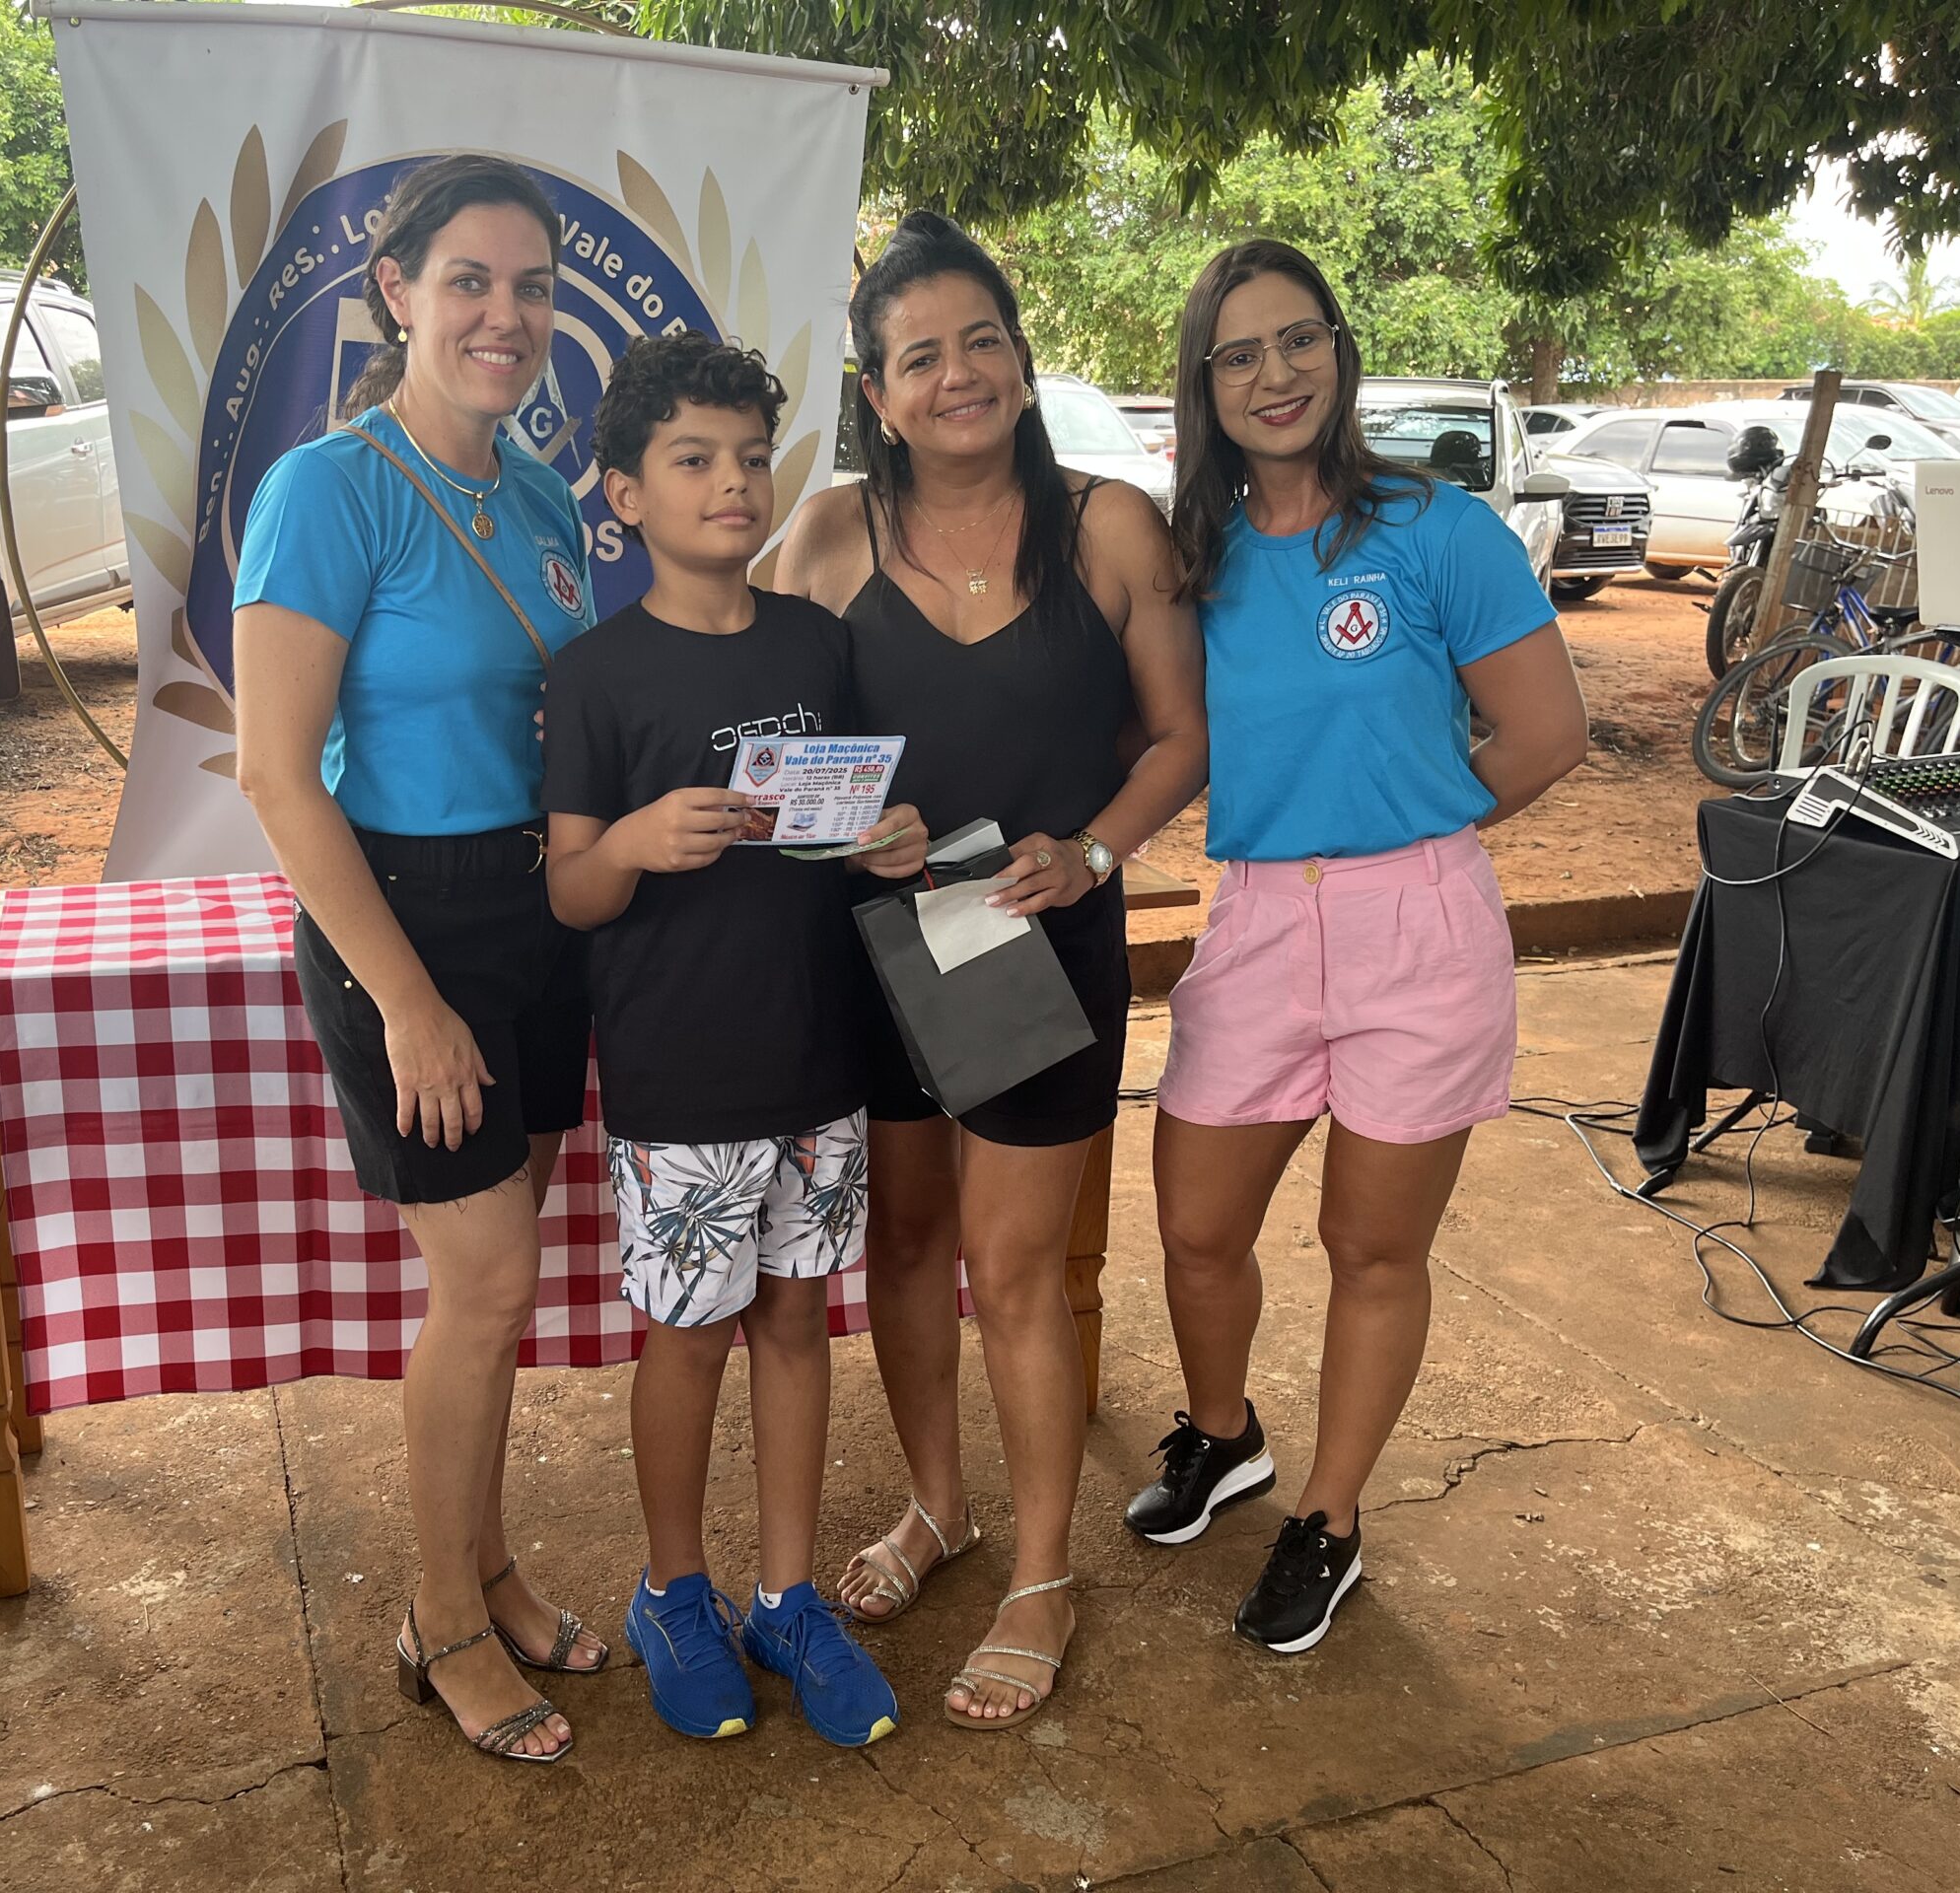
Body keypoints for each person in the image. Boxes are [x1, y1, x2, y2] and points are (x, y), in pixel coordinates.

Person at [1125, 239, 1587, 1653]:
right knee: (1197, 1229)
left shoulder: (1438, 531)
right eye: (1239, 354)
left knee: (1370, 1248)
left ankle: (1327, 1518)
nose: (1275, 375)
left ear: (1339, 348)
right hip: (1257, 919)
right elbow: (1160, 732)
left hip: (1416, 924)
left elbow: (1545, 734)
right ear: (1203, 383)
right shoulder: (1192, 558)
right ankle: (1225, 1435)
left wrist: (1406, 830)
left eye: (1299, 339)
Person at [776, 212, 1208, 1729]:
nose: (955, 375)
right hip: (881, 949)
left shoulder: (1110, 527)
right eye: (919, 357)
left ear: (1021, 360)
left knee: (1013, 1269)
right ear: (876, 393)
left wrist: (1091, 851)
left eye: (981, 342)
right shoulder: (829, 537)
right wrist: (843, 829)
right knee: (903, 1248)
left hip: (1042, 943)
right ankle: (937, 1508)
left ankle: (1041, 1574)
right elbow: (777, 760)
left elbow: (1182, 739)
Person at [231, 156, 610, 1766]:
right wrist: (408, 1001)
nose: (504, 316)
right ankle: (440, 1617)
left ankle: (489, 1564)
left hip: (537, 916)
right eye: (469, 281)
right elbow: (275, 775)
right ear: (396, 293)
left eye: (531, 288)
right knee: (488, 1283)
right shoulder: (328, 491)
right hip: (406, 924)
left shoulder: (537, 490)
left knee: (499, 1287)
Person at [543, 332, 927, 1748]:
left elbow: (853, 829)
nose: (733, 483)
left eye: (753, 457)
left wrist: (888, 841)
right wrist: (633, 842)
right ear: (624, 495)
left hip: (818, 1055)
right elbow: (570, 889)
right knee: (690, 1337)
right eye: (694, 459)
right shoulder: (596, 675)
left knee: (796, 1324)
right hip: (679, 1072)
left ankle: (785, 1596)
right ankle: (671, 1591)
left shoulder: (818, 644)